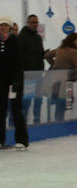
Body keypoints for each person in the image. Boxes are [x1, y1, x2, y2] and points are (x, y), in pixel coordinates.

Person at [43, 32, 77, 123]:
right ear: (72, 41)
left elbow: (47, 55)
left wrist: (54, 65)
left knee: (58, 103)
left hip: (55, 80)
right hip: (66, 81)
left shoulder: (59, 49)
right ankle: (60, 123)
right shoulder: (73, 52)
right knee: (63, 103)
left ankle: (56, 121)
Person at [0, 16, 28, 149]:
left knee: (16, 110)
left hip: (14, 82)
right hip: (2, 82)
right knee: (1, 110)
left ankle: (22, 139)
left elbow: (18, 63)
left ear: (9, 27)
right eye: (1, 25)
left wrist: (16, 81)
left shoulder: (14, 41)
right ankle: (1, 140)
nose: (3, 27)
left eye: (5, 25)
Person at [18, 14, 46, 124]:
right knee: (27, 100)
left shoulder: (38, 37)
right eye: (32, 22)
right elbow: (19, 55)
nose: (35, 24)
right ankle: (23, 122)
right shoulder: (22, 36)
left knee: (38, 100)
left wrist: (45, 54)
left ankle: (37, 120)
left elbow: (39, 54)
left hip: (38, 73)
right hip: (28, 75)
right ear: (28, 23)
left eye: (36, 22)